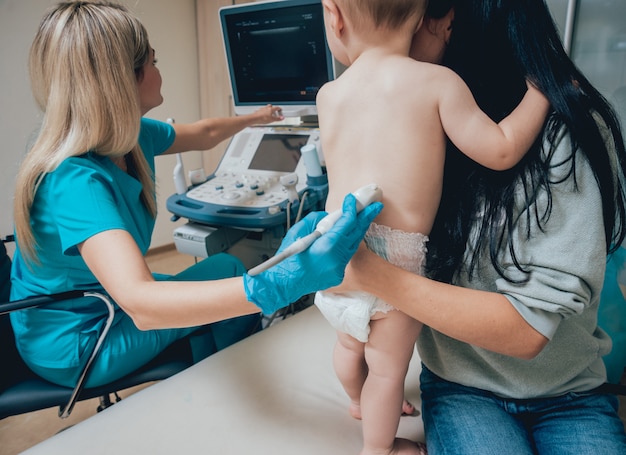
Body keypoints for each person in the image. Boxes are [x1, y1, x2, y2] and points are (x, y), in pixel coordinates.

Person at [10, 1, 382, 390]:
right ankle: (218, 385)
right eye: (153, 62)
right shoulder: (74, 181)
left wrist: (258, 117)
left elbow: (202, 133)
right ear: (127, 79)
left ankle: (215, 362)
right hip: (80, 338)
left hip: (100, 299)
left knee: (225, 268)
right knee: (237, 284)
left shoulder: (127, 136)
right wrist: (280, 283)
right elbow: (141, 303)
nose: (159, 70)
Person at [335, 0, 626, 453]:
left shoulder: (561, 130)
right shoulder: (420, 103)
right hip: (461, 386)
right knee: (377, 362)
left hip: (568, 393)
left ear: (451, 21)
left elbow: (527, 330)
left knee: (358, 353)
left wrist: (370, 274)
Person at [314, 0, 549, 454]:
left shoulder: (329, 93)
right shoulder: (437, 82)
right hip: (396, 258)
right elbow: (500, 151)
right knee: (386, 371)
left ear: (335, 15)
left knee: (349, 345)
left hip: (338, 245)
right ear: (426, 20)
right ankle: (379, 447)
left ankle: (354, 401)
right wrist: (540, 92)